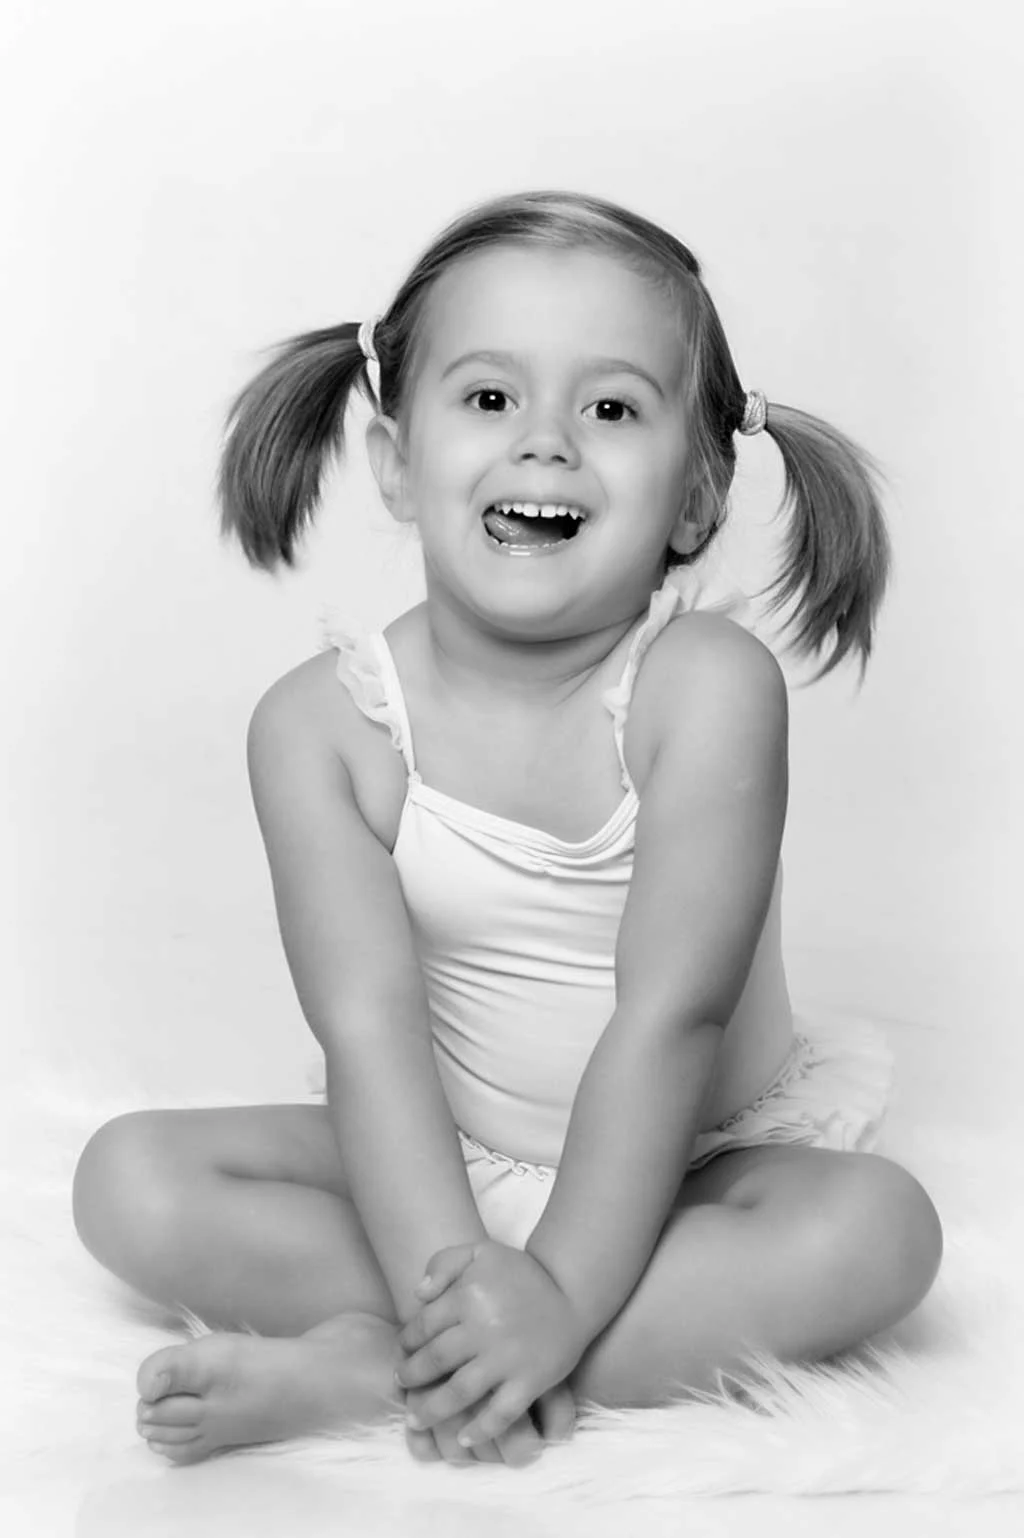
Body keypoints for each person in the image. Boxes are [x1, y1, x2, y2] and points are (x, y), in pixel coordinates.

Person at [72, 190, 944, 1470]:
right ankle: (463, 1345)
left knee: (879, 1232)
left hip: (687, 1166)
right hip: (435, 1155)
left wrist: (561, 1291)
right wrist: (459, 1273)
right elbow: (368, 1033)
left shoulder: (704, 688)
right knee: (128, 1182)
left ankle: (392, 1366)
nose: (545, 443)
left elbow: (672, 1015)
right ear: (393, 458)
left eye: (611, 410)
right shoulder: (323, 728)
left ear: (697, 494)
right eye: (489, 398)